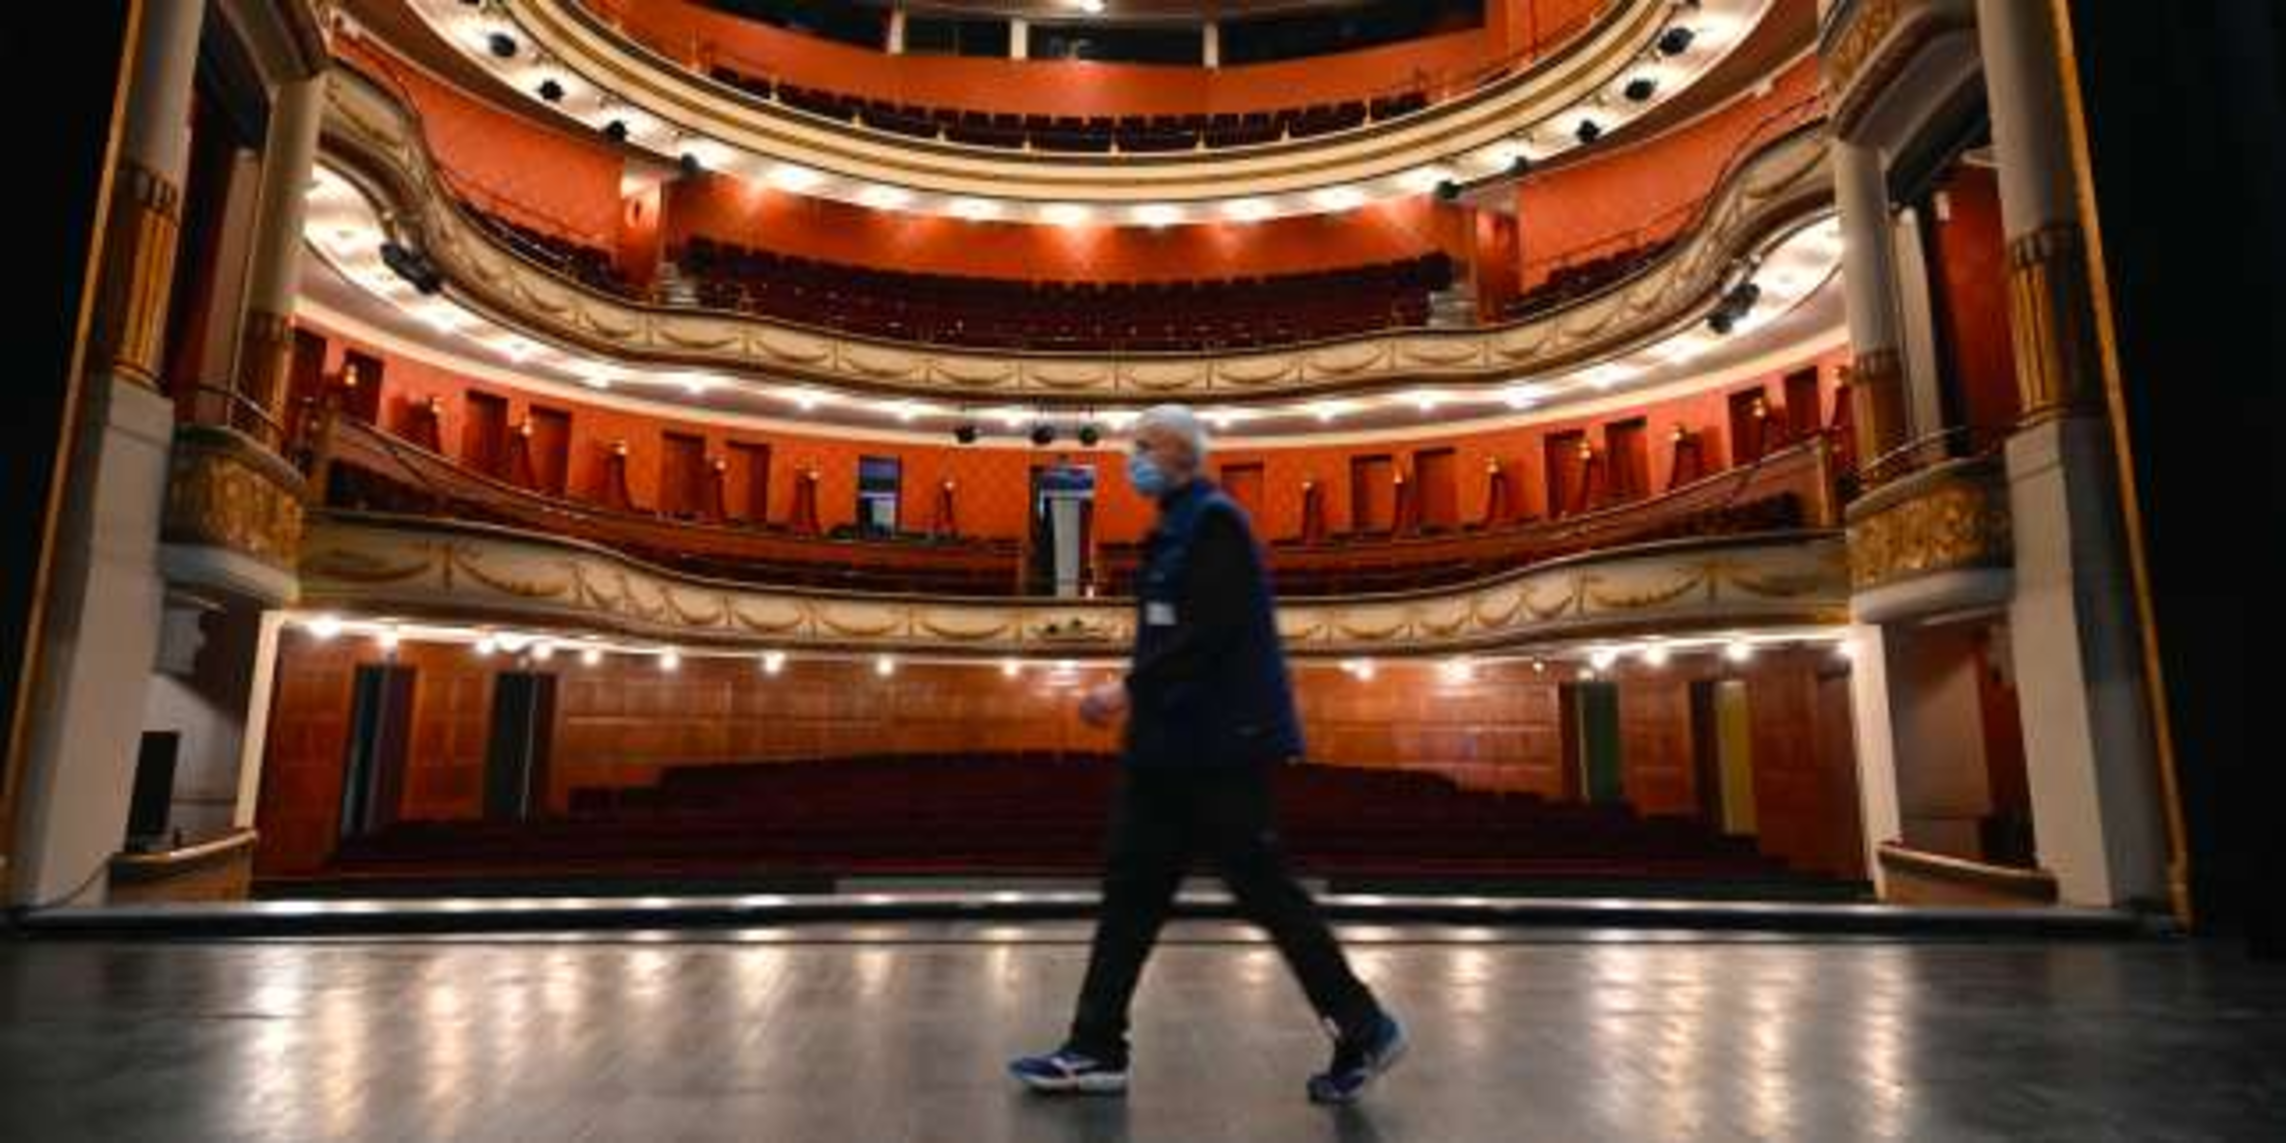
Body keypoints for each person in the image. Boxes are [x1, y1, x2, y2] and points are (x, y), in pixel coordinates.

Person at [1009, 405, 1405, 1105]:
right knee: (1131, 894)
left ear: (1184, 456)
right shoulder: (1172, 528)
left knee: (1264, 892)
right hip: (1168, 751)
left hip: (1221, 748)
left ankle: (1363, 1024)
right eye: (1133, 445)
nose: (1133, 457)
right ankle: (1096, 1046)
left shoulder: (1216, 523)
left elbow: (1209, 632)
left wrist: (1126, 688)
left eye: (1146, 446)